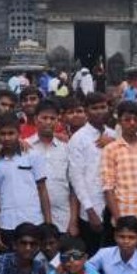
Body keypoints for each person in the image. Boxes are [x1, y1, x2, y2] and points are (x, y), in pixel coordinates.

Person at [0, 112, 52, 251]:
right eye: (2, 134)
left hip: (34, 221)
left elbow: (42, 190)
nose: (7, 138)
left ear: (19, 133)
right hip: (7, 225)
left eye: (11, 133)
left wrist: (48, 225)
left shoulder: (33, 156)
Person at [101, 100, 137, 235]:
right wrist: (119, 221)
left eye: (136, 119)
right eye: (127, 119)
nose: (132, 123)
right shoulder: (111, 150)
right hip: (122, 216)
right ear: (119, 122)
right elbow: (108, 188)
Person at [69, 92, 116, 254]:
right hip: (91, 208)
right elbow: (76, 178)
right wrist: (89, 210)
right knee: (91, 255)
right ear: (86, 111)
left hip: (114, 206)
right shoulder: (78, 138)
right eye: (94, 108)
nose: (99, 111)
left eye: (103, 107)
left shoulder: (114, 135)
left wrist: (113, 143)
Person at [28, 99, 78, 235]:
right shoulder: (26, 147)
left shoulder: (66, 148)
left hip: (63, 218)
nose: (48, 122)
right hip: (33, 217)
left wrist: (73, 221)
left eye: (52, 118)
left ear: (58, 121)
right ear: (36, 119)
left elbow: (73, 188)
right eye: (44, 118)